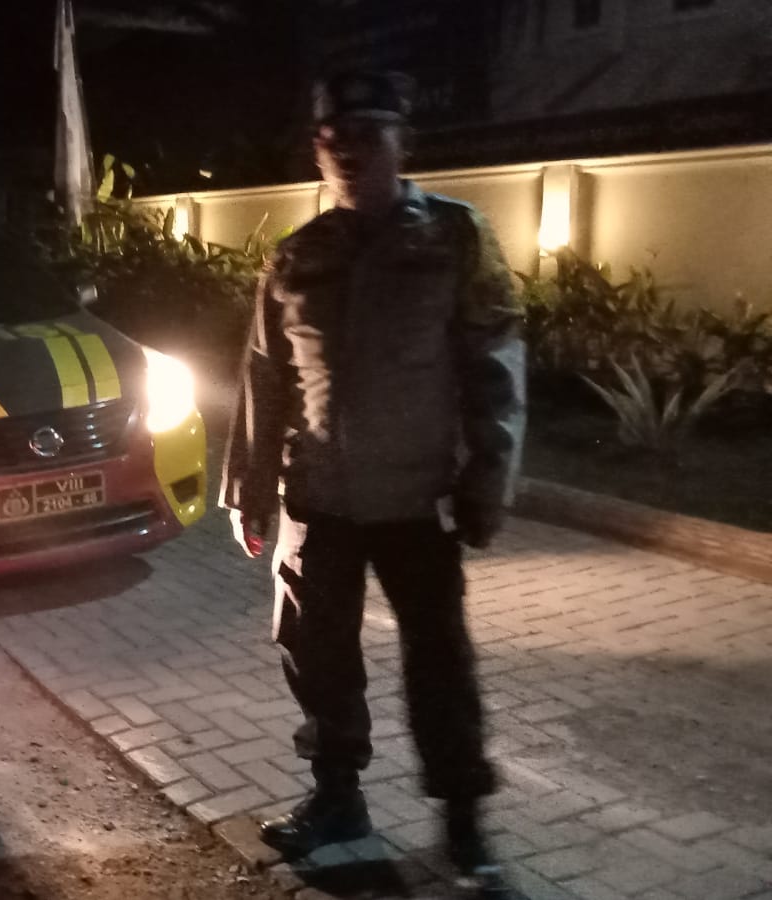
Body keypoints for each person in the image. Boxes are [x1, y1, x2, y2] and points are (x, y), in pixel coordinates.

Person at [222, 71, 525, 898]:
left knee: (440, 663)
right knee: (316, 655)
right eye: (334, 138)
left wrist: (489, 478)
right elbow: (263, 376)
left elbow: (495, 364)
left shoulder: (455, 237)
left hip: (418, 499)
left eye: (369, 133)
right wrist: (249, 491)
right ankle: (337, 800)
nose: (350, 151)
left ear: (402, 142)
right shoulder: (298, 254)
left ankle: (463, 820)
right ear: (319, 151)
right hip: (319, 497)